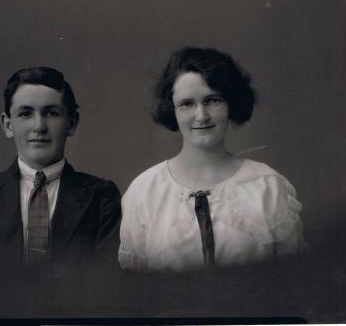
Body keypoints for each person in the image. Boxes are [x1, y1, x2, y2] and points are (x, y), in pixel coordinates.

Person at [0, 67, 121, 314]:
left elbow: (107, 288)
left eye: (52, 113)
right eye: (25, 113)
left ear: (71, 123)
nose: (39, 126)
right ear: (7, 124)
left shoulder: (100, 197)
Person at [118, 47, 305, 272]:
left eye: (212, 100)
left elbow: (292, 282)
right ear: (172, 110)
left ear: (230, 104)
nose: (201, 116)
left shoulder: (268, 186)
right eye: (187, 104)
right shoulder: (144, 191)